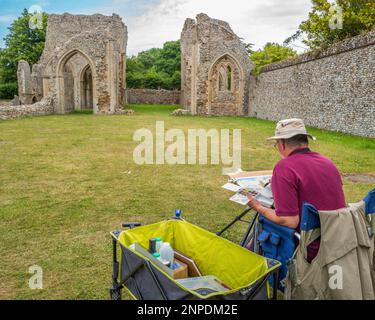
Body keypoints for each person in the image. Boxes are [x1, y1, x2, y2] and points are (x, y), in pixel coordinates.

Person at [246, 119, 347, 262]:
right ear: (306, 141)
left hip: (309, 247)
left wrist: (258, 207)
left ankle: (253, 268)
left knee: (263, 220)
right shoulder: (327, 162)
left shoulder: (284, 167)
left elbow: (288, 221)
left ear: (282, 144)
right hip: (338, 239)